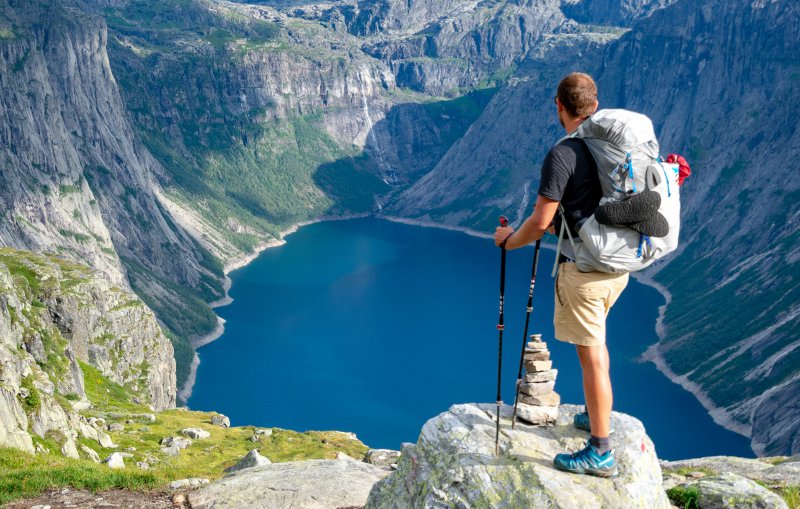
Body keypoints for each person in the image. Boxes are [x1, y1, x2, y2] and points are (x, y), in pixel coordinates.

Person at [493, 72, 628, 478]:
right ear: (594, 104)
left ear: (559, 106)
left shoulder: (564, 154)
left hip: (585, 273)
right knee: (597, 349)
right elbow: (583, 211)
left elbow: (540, 221)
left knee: (591, 359)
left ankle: (601, 451)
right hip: (617, 266)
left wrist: (508, 241)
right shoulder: (612, 145)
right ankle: (594, 415)